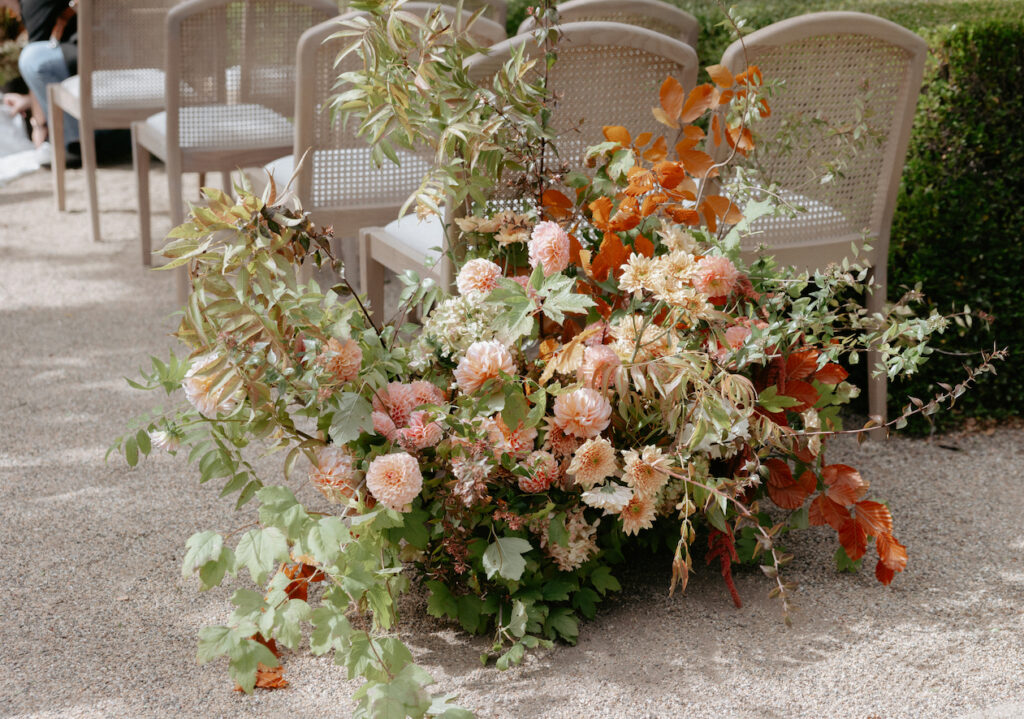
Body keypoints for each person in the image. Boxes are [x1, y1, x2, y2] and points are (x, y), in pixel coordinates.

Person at [0, 0, 78, 165]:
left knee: (32, 57)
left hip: (93, 57)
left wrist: (39, 126)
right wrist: (29, 101)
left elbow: (36, 62)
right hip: (99, 54)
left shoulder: (32, 3)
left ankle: (73, 142)